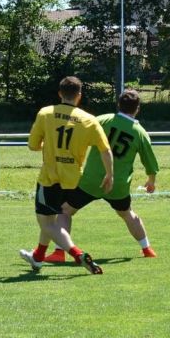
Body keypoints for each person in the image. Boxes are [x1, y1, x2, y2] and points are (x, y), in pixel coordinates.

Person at [47, 89, 161, 262]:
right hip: (118, 185)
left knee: (65, 210)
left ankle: (58, 252)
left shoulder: (103, 120)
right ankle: (147, 249)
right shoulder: (140, 133)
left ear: (118, 105)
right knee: (127, 214)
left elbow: (77, 132)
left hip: (91, 181)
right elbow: (150, 163)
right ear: (138, 108)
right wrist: (151, 181)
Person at [20, 76, 113, 273]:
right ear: (79, 96)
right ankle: (37, 257)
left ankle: (78, 255)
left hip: (50, 178)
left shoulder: (46, 113)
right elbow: (105, 150)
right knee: (50, 220)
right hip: (73, 180)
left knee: (46, 223)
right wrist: (109, 175)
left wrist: (49, 146)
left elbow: (32, 145)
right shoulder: (89, 120)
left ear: (59, 94)